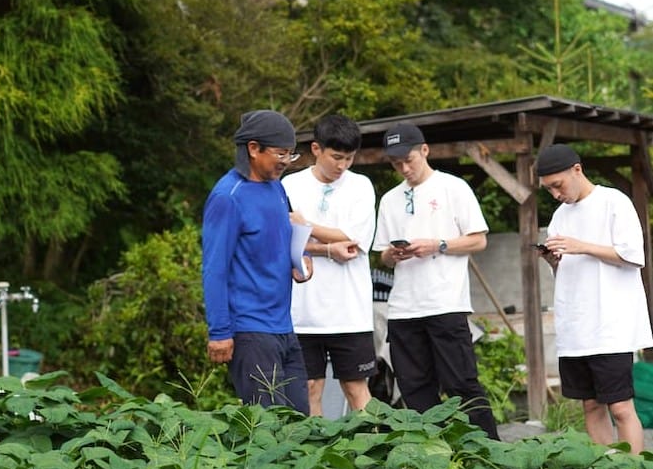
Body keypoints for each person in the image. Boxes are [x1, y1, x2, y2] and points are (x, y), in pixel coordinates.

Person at [373, 122, 500, 439]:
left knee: (461, 383)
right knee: (414, 388)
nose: (404, 168)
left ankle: (492, 452)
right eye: (396, 163)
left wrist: (438, 244)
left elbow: (478, 241)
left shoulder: (453, 188)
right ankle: (435, 454)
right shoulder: (390, 199)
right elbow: (382, 256)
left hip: (445, 304)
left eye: (409, 160)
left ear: (424, 150)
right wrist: (394, 255)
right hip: (403, 308)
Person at [535, 143, 652, 454]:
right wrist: (554, 262)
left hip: (610, 324)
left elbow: (632, 255)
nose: (556, 194)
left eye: (557, 185)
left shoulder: (614, 202)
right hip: (576, 325)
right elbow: (568, 270)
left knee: (621, 408)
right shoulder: (560, 215)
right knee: (590, 405)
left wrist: (581, 245)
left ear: (577, 170)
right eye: (548, 190)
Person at [201, 109, 313, 414]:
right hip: (250, 330)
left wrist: (301, 261)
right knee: (267, 430)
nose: (285, 162)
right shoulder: (228, 196)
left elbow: (283, 242)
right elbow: (214, 268)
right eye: (280, 153)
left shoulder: (276, 188)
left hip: (284, 327)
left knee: (301, 423)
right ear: (253, 148)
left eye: (290, 155)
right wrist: (219, 332)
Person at [283, 114, 377, 415]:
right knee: (309, 388)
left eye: (349, 158)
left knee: (356, 388)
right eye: (336, 157)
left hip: (349, 311)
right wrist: (328, 249)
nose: (342, 166)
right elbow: (285, 239)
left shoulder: (361, 186)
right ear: (316, 149)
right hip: (303, 310)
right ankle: (315, 458)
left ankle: (372, 455)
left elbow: (353, 237)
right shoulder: (290, 185)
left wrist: (305, 225)